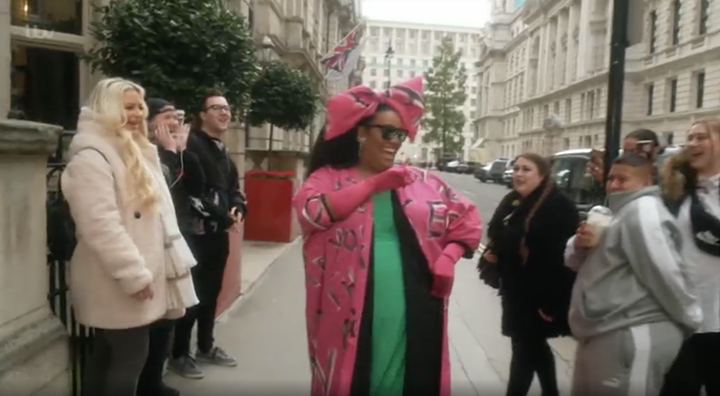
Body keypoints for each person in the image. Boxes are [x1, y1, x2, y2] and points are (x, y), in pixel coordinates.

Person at [292, 76, 482, 396]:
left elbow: (467, 218)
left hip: (416, 300)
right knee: (354, 374)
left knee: (411, 372)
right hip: (347, 308)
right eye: (388, 132)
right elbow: (312, 213)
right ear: (362, 132)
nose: (395, 141)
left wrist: (448, 259)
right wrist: (374, 185)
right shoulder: (328, 178)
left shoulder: (421, 180)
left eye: (401, 133)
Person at [61, 78, 198, 396]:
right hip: (115, 276)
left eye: (140, 106)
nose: (137, 113)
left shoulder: (133, 150)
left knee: (109, 355)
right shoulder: (92, 157)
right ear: (108, 109)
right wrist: (134, 275)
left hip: (129, 273)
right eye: (128, 106)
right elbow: (100, 225)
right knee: (129, 358)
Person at [565, 153, 702, 396]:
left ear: (647, 181)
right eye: (611, 179)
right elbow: (580, 262)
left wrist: (691, 319)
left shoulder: (643, 211)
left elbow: (666, 272)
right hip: (607, 331)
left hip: (633, 331)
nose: (614, 185)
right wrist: (580, 245)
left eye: (623, 179)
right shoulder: (619, 211)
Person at [480, 152, 579, 396]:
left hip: (541, 291)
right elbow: (500, 233)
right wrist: (495, 253)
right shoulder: (514, 200)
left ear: (542, 175)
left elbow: (560, 257)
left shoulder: (558, 205)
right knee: (529, 345)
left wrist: (551, 302)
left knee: (525, 347)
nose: (518, 174)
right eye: (516, 168)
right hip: (516, 287)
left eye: (526, 170)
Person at [169, 90, 247, 378]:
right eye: (216, 108)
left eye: (227, 108)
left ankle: (205, 345)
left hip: (218, 234)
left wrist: (238, 208)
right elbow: (192, 192)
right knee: (193, 296)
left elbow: (233, 188)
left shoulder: (221, 150)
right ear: (202, 114)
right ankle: (179, 353)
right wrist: (222, 216)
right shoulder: (189, 145)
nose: (224, 113)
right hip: (196, 235)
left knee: (212, 293)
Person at [136, 98, 206, 396]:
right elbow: (162, 186)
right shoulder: (143, 151)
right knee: (150, 321)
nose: (174, 123)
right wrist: (168, 152)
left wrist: (181, 151)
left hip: (177, 239)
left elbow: (197, 184)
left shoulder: (176, 151)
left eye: (176, 117)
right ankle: (144, 384)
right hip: (150, 243)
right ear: (149, 121)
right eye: (166, 116)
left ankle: (154, 380)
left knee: (170, 316)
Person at [659, 118, 720, 396]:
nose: (693, 143)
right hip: (681, 321)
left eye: (701, 137)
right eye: (690, 138)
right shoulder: (673, 193)